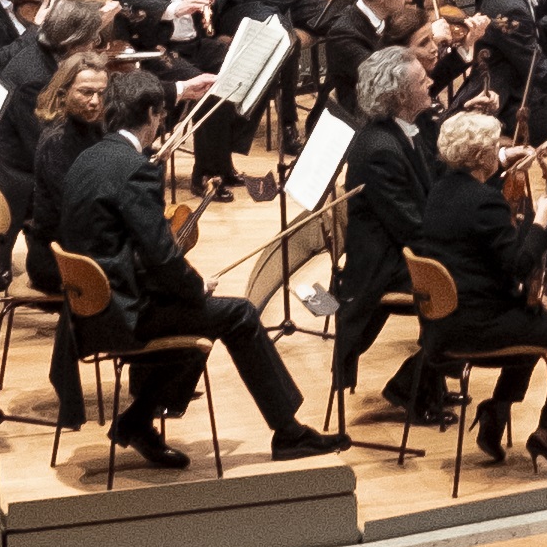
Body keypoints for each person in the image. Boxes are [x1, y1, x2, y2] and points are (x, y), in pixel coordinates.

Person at [57, 66, 340, 471]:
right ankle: (289, 432)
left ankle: (137, 422)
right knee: (237, 314)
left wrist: (185, 288)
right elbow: (161, 258)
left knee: (199, 317)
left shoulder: (89, 158)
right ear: (154, 114)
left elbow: (118, 244)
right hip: (121, 316)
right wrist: (193, 287)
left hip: (89, 309)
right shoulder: (136, 168)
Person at [420, 110, 547, 474]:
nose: (500, 149)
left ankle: (496, 410)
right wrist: (541, 221)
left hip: (443, 322)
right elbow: (517, 264)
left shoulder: (440, 190)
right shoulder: (485, 202)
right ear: (482, 156)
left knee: (534, 319)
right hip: (475, 328)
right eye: (496, 147)